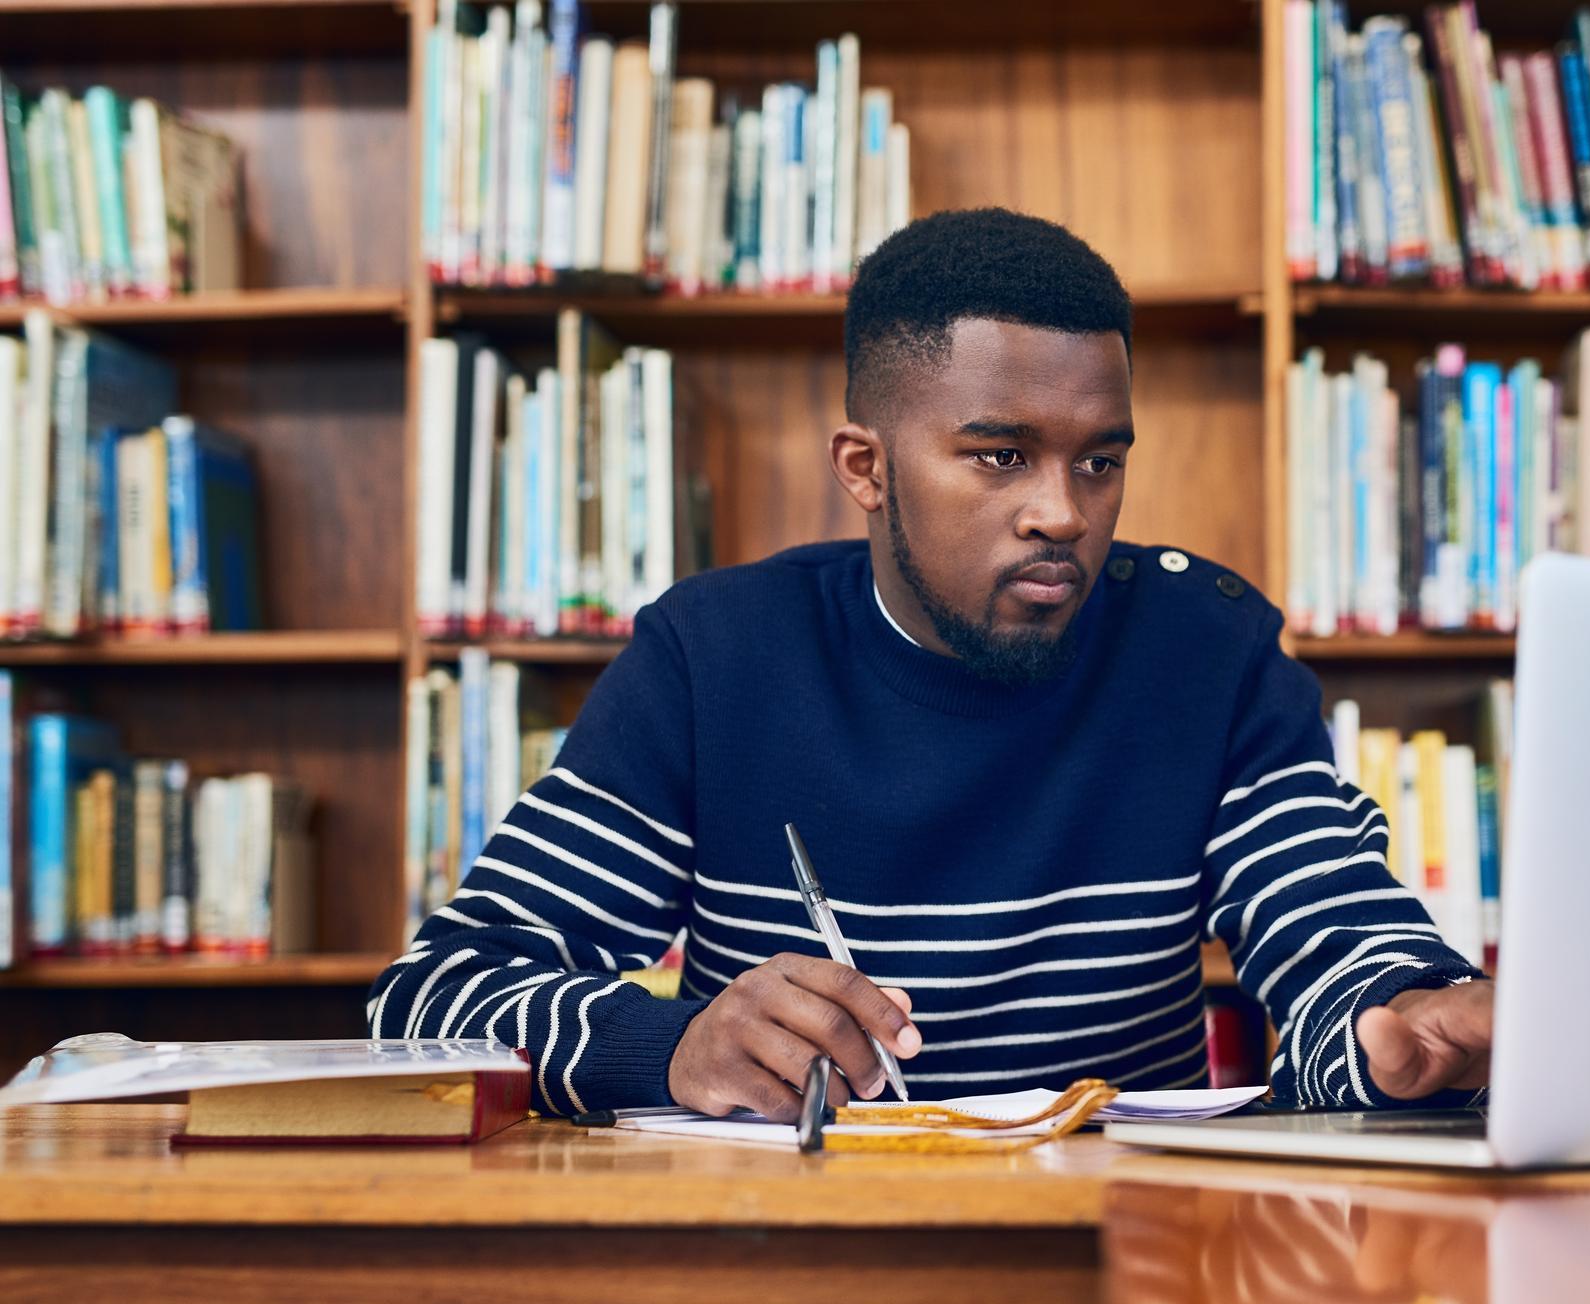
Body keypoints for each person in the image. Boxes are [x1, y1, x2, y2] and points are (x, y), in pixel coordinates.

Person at [369, 207, 1494, 1120]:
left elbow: (1335, 929)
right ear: (864, 467)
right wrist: (672, 1046)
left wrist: (1396, 1022)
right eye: (1000, 456)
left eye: (1098, 461)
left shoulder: (1208, 649)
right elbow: (430, 1002)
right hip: (789, 1259)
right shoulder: (713, 660)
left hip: (1120, 1259)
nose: (1062, 512)